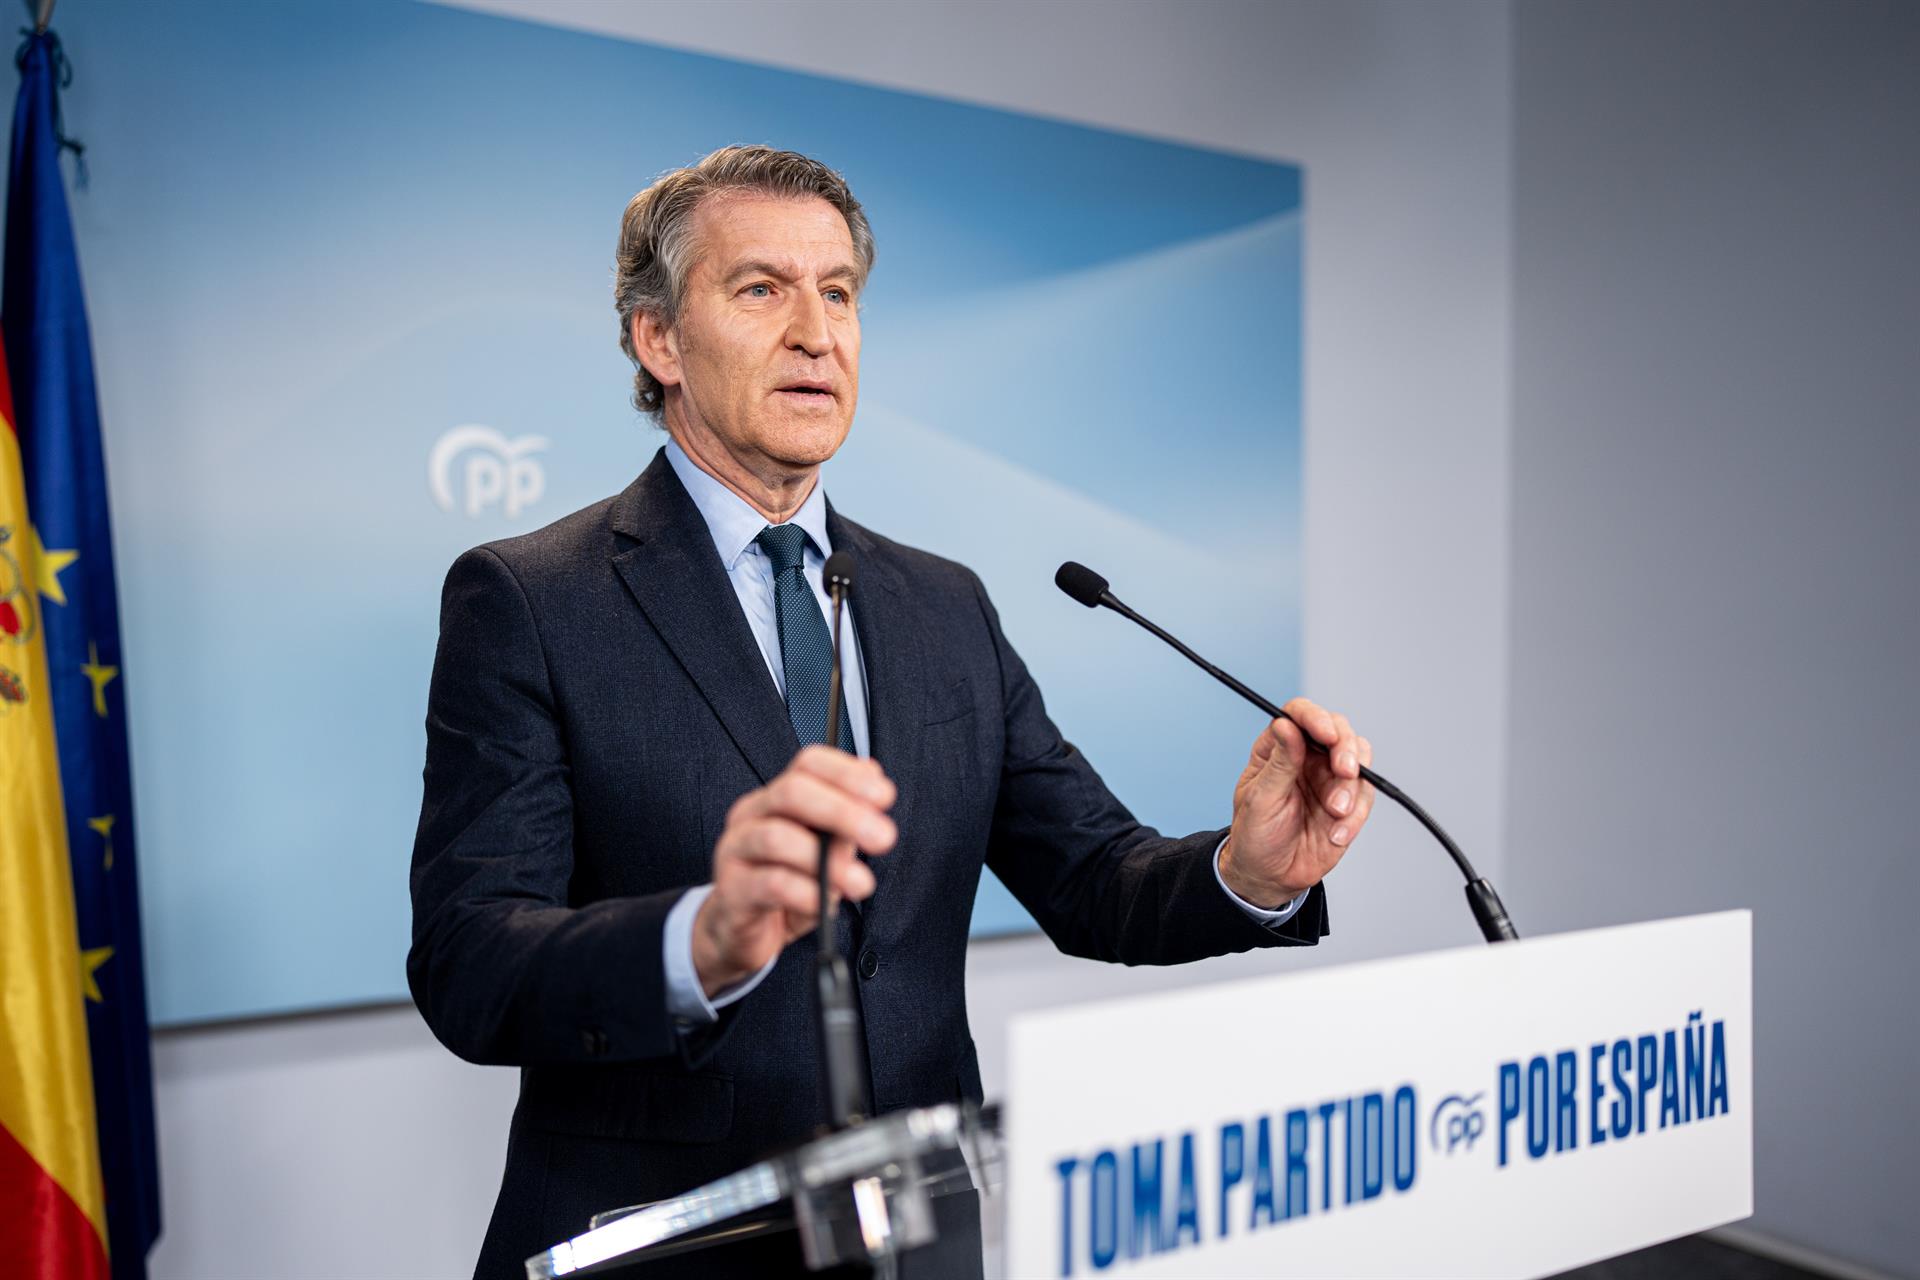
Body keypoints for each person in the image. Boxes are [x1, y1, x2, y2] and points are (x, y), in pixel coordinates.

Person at [408, 146, 1377, 1279]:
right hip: (663, 1246)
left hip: (919, 1243)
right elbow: (471, 961)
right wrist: (701, 940)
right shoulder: (532, 598)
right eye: (761, 289)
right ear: (658, 339)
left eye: (839, 293)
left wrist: (1248, 873)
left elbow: (1093, 878)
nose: (815, 333)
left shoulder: (942, 603)